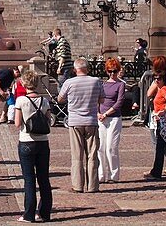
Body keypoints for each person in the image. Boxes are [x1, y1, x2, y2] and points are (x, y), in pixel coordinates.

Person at [57, 57, 104, 193]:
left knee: (77, 155)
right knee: (92, 154)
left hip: (75, 122)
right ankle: (93, 186)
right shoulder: (96, 81)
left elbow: (60, 99)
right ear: (87, 68)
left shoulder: (69, 82)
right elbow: (101, 99)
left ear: (75, 69)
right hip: (91, 121)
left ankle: (77, 185)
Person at [15, 69, 53, 223]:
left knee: (29, 179)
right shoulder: (44, 101)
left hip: (26, 140)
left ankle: (29, 214)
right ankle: (45, 213)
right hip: (43, 141)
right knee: (44, 178)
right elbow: (49, 121)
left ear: (24, 84)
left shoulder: (21, 101)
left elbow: (17, 123)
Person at [98, 57, 126, 183]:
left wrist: (106, 113)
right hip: (101, 118)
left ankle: (114, 175)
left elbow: (119, 102)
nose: (112, 74)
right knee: (101, 147)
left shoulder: (121, 84)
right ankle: (101, 174)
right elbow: (97, 99)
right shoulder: (102, 84)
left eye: (114, 71)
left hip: (113, 118)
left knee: (111, 147)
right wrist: (98, 113)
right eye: (110, 71)